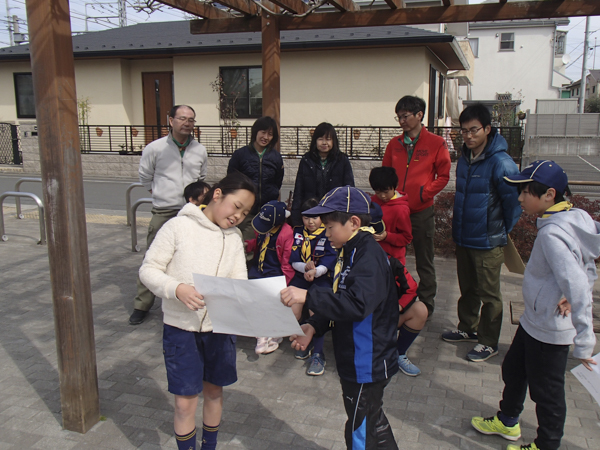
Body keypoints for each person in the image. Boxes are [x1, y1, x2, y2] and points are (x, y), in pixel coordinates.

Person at [470, 160, 599, 450]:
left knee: (547, 393)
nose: (519, 198)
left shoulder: (553, 234)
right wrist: (577, 286)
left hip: (552, 330)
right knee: (514, 370)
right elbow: (588, 265)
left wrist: (585, 341)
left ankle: (547, 445)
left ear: (549, 194)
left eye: (525, 191)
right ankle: (507, 421)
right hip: (533, 322)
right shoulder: (576, 216)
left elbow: (578, 284)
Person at [138, 172, 256, 450]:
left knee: (214, 392)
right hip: (181, 330)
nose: (238, 216)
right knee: (184, 401)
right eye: (236, 206)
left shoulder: (234, 237)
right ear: (217, 194)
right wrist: (176, 288)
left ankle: (209, 446)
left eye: (246, 212)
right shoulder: (178, 227)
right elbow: (148, 269)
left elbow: (240, 279)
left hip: (220, 329)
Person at [281, 186, 399, 450]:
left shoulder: (368, 256)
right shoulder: (350, 249)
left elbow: (357, 305)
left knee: (360, 430)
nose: (326, 232)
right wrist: (313, 324)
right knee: (371, 423)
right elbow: (341, 299)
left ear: (354, 223)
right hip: (356, 358)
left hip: (367, 360)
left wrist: (307, 296)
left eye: (330, 226)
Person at [441, 104, 522, 362]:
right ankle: (467, 328)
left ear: (487, 129)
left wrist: (500, 231)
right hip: (464, 236)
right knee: (468, 288)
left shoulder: (502, 163)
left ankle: (489, 342)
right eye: (463, 131)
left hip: (489, 240)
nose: (468, 136)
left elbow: (514, 204)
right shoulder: (465, 158)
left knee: (490, 295)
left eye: (473, 130)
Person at [131, 104, 208, 325]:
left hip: (192, 211)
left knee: (194, 255)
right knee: (153, 256)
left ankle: (192, 297)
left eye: (191, 120)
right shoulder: (155, 148)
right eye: (182, 118)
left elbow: (201, 176)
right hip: (164, 210)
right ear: (171, 120)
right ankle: (142, 304)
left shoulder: (199, 150)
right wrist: (159, 194)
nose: (187, 123)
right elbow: (145, 176)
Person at [382, 95, 451, 317]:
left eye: (405, 116)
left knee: (424, 259)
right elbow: (385, 175)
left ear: (419, 115)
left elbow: (443, 176)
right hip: (395, 211)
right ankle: (391, 296)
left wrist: (424, 193)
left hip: (421, 211)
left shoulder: (436, 143)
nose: (401, 121)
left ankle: (426, 304)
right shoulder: (394, 144)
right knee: (391, 257)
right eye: (398, 117)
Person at [289, 198, 337, 376]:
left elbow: (331, 257)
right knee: (293, 308)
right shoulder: (297, 232)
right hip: (301, 277)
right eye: (306, 217)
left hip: (321, 278)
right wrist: (305, 268)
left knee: (316, 311)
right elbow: (293, 259)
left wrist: (316, 271)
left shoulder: (328, 233)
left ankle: (318, 353)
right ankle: (302, 342)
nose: (310, 222)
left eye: (315, 217)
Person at [245, 200, 294, 354]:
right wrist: (248, 245)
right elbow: (259, 243)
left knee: (268, 304)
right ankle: (264, 334)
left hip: (275, 274)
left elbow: (287, 262)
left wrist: (284, 285)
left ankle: (264, 335)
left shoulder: (286, 234)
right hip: (259, 270)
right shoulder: (264, 229)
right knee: (255, 302)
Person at [227, 116, 284, 240]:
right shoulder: (240, 155)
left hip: (267, 209)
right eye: (263, 132)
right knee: (246, 243)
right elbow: (231, 181)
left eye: (270, 134)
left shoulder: (276, 157)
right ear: (255, 132)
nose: (266, 137)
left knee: (266, 245)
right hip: (244, 209)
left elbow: (277, 182)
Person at [291, 122, 355, 226]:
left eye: (328, 139)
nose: (324, 143)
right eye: (320, 139)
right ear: (315, 141)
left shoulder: (342, 160)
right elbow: (298, 191)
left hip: (335, 214)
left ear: (334, 141)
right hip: (312, 214)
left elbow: (349, 190)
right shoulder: (306, 160)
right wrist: (296, 221)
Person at [369, 166, 412, 266]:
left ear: (395, 186)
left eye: (386, 192)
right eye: (378, 192)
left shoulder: (401, 209)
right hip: (373, 256)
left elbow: (406, 238)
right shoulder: (372, 202)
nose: (382, 196)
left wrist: (386, 236)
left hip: (393, 260)